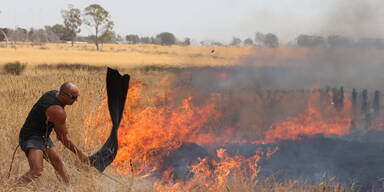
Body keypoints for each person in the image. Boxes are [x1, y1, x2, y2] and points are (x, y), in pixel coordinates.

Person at [18, 82, 88, 185]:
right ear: (64, 94)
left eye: (77, 96)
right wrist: (79, 153)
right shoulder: (57, 111)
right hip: (31, 137)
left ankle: (68, 188)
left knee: (57, 162)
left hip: (42, 135)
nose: (76, 100)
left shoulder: (53, 93)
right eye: (73, 97)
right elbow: (63, 138)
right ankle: (12, 188)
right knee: (36, 170)